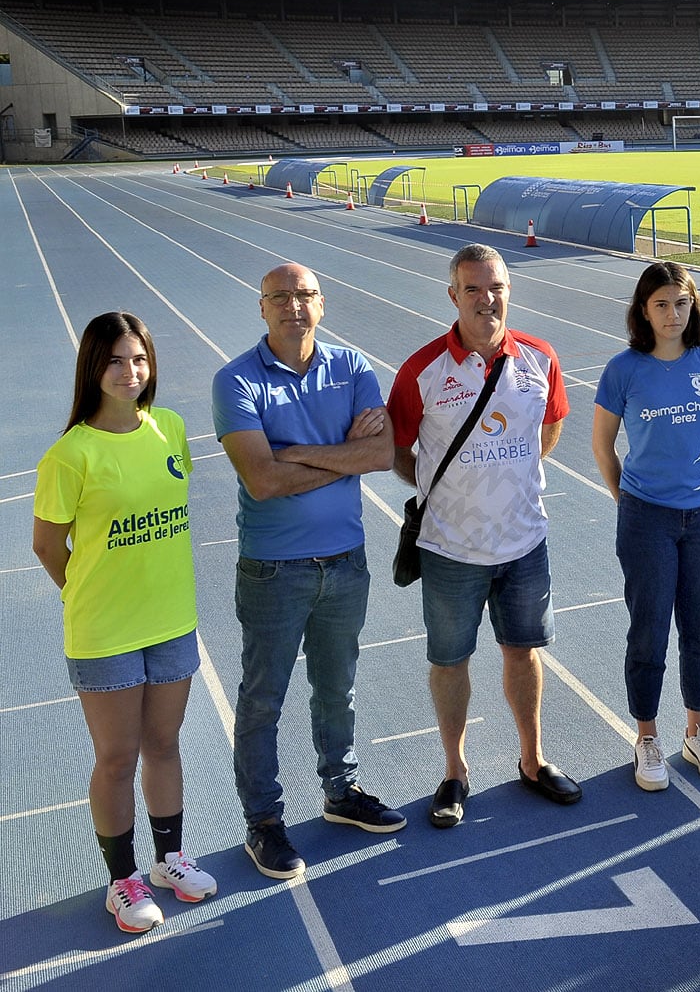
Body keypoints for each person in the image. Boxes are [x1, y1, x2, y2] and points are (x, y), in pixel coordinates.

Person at [213, 265, 405, 882]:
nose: (293, 306)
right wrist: (340, 459)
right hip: (273, 570)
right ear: (261, 307)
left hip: (346, 561)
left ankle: (340, 791)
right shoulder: (235, 380)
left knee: (337, 688)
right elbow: (262, 481)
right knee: (263, 698)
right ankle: (264, 822)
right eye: (280, 297)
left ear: (321, 303)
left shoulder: (352, 368)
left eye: (304, 295)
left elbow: (382, 454)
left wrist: (294, 450)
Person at [33, 313, 213, 934]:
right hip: (105, 632)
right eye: (114, 360)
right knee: (117, 757)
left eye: (138, 359)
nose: (129, 371)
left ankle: (170, 860)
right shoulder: (71, 454)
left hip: (171, 621)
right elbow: (47, 546)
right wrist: (83, 593)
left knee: (164, 745)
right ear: (93, 368)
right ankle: (123, 880)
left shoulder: (171, 429)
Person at [388, 244, 578, 827]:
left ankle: (532, 758)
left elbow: (551, 427)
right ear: (453, 296)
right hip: (450, 549)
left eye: (494, 286)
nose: (485, 298)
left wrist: (511, 478)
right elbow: (400, 454)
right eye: (472, 289)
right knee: (451, 661)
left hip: (524, 542)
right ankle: (455, 771)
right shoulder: (421, 371)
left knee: (522, 652)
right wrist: (452, 488)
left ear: (508, 291)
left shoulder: (540, 358)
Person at [592, 262, 700, 790]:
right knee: (649, 629)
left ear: (693, 306)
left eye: (680, 303)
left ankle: (697, 731)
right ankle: (647, 737)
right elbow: (603, 446)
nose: (672, 313)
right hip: (646, 516)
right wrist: (630, 500)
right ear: (643, 311)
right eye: (660, 304)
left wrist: (695, 489)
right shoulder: (623, 369)